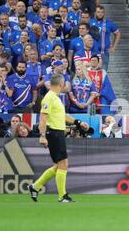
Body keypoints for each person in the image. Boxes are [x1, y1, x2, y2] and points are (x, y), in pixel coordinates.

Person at [28, 73, 89, 203]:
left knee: (58, 165)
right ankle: (62, 196)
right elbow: (43, 117)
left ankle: (35, 186)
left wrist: (78, 122)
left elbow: (63, 116)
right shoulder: (49, 98)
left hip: (58, 133)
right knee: (63, 164)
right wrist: (42, 136)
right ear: (61, 84)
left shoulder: (55, 98)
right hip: (54, 133)